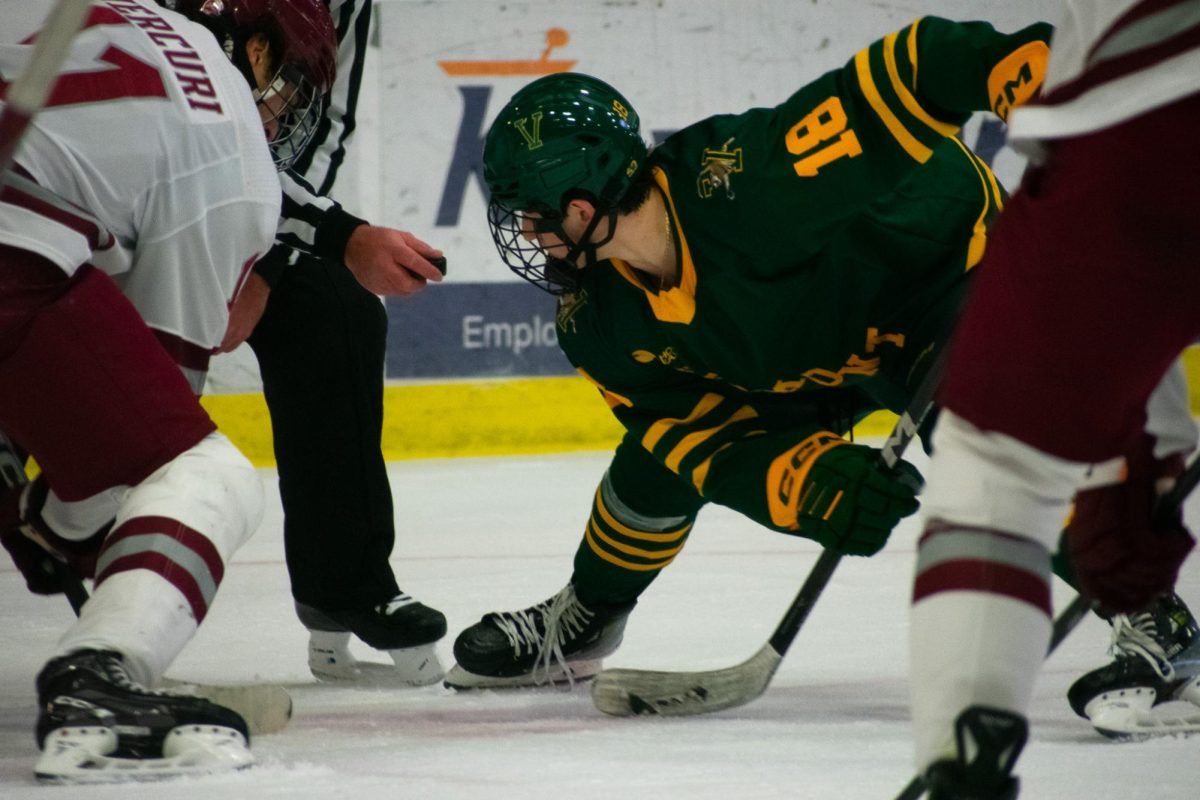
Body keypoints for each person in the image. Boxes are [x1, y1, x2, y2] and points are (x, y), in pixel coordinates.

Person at [444, 16, 1058, 689]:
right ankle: (587, 616)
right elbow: (697, 436)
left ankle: (1149, 614)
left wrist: (1009, 67)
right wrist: (806, 481)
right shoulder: (600, 322)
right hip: (812, 351)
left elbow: (905, 75)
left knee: (990, 442)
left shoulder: (747, 182)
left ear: (583, 206)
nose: (528, 235)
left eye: (533, 215)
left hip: (934, 286)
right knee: (652, 462)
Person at [0, 0, 336, 782]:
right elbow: (135, 472)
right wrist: (51, 523)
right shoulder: (230, 141)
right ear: (253, 52)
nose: (283, 105)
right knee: (209, 477)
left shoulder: (76, 15)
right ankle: (100, 677)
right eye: (286, 80)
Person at [906, 1, 1200, 797]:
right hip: (1145, 106)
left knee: (997, 470)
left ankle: (960, 772)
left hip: (1148, 101)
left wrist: (1128, 446)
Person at [204, 0, 450, 686]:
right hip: (131, 207)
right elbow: (166, 135)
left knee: (336, 309)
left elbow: (320, 131)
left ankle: (344, 585)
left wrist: (267, 259)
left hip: (259, 211)